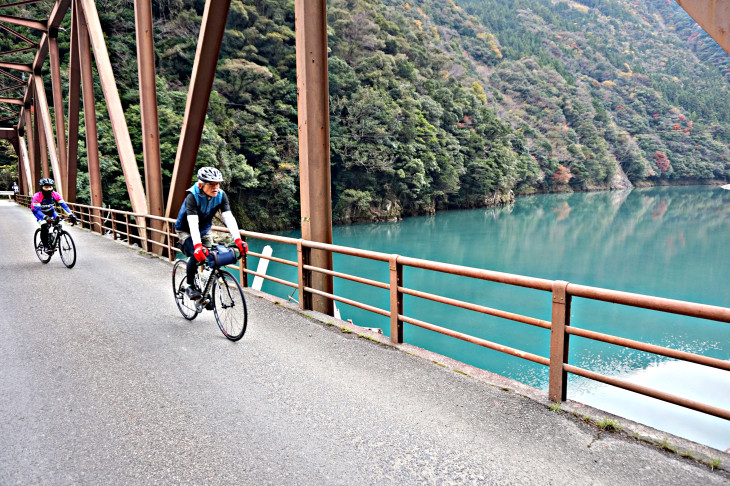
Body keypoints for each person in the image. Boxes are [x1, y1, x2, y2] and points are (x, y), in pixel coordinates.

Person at [174, 166, 247, 299]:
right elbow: (192, 221)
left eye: (218, 183)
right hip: (186, 229)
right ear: (201, 185)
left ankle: (204, 290)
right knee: (197, 255)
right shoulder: (192, 196)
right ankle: (189, 286)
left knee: (210, 257)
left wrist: (238, 240)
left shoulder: (220, 195)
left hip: (205, 229)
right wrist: (197, 246)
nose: (215, 187)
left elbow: (228, 217)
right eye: (211, 184)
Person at [30, 178, 78, 250]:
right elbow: (37, 210)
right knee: (44, 225)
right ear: (42, 187)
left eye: (50, 187)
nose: (49, 189)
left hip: (50, 210)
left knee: (57, 221)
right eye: (46, 187)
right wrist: (45, 217)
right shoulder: (37, 196)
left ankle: (53, 238)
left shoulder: (55, 195)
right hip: (39, 212)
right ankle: (45, 245)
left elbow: (64, 206)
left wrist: (71, 215)